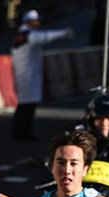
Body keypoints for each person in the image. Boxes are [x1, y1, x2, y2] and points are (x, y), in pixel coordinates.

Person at [11, 9, 72, 141]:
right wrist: (64, 33)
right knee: (27, 107)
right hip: (28, 76)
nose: (38, 22)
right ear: (29, 22)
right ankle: (24, 134)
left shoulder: (21, 35)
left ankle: (18, 132)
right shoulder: (30, 35)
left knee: (23, 106)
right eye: (36, 20)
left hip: (23, 74)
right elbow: (46, 36)